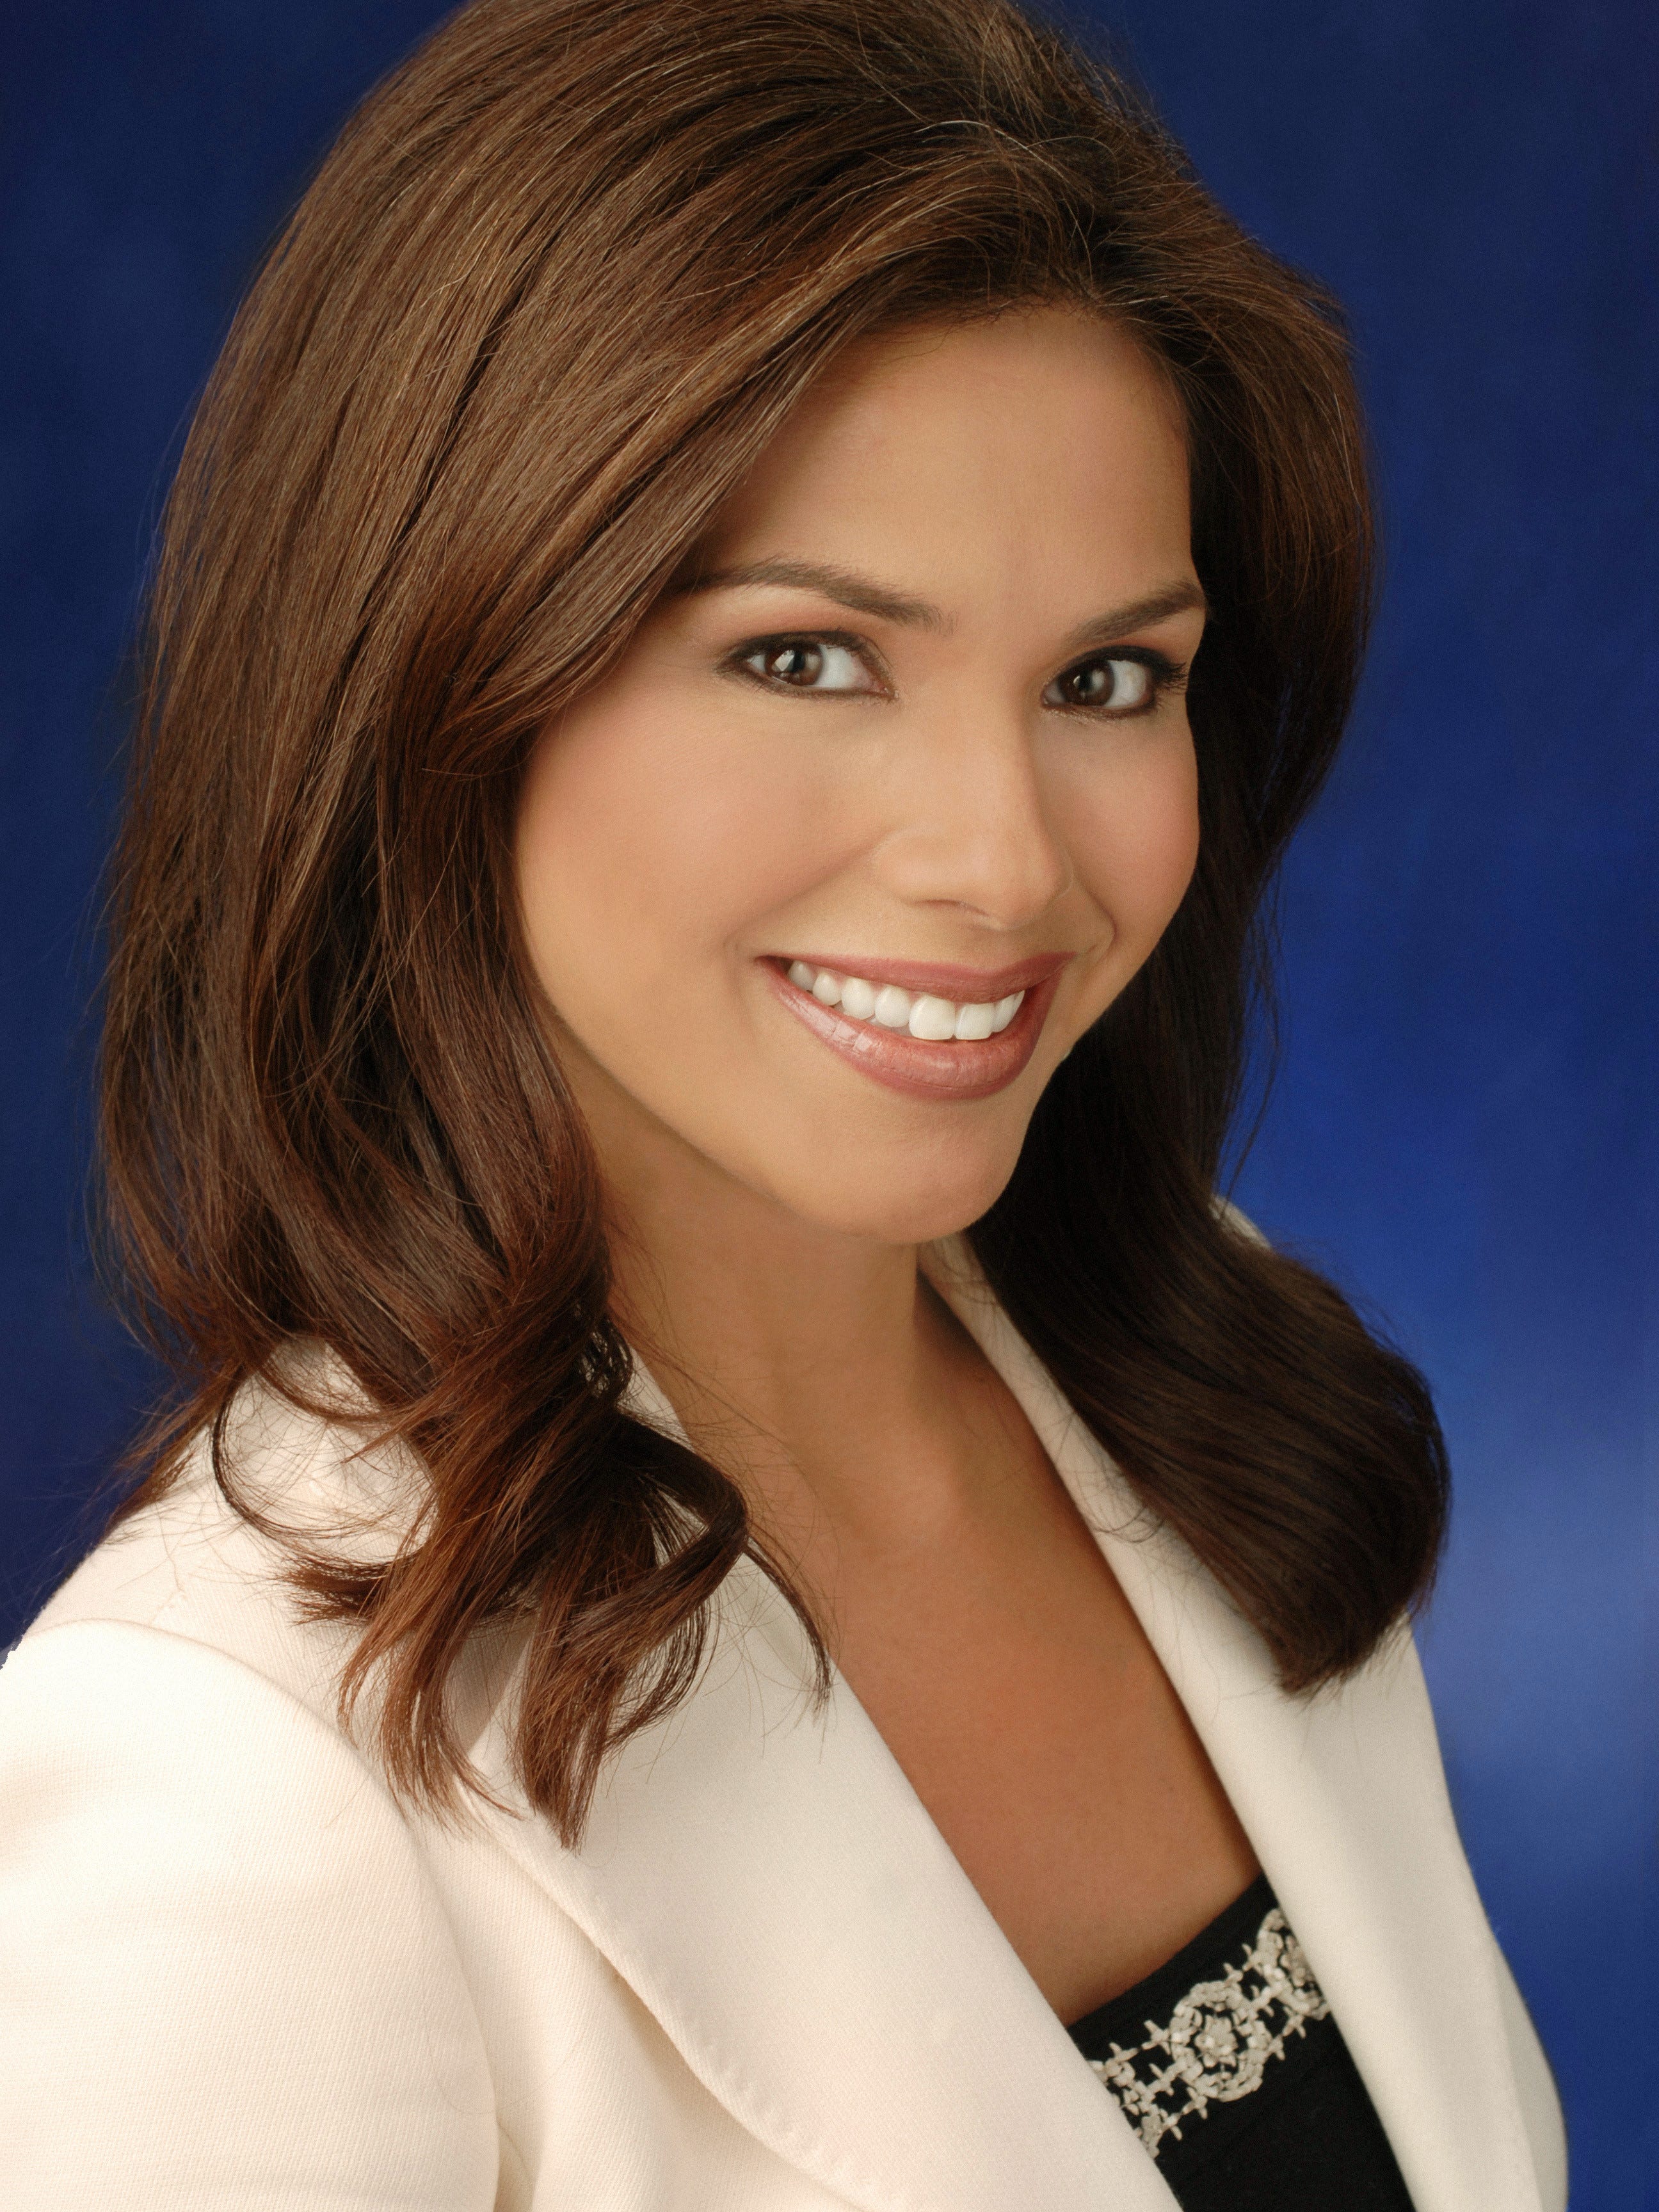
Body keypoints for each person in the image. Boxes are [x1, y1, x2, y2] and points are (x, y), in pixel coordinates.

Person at [0, 1, 1566, 2206]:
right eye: (806, 658)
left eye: (1106, 678)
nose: (1005, 863)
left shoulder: (1213, 1384)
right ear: (435, 679)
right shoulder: (233, 1784)